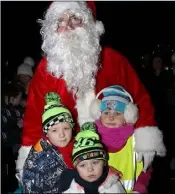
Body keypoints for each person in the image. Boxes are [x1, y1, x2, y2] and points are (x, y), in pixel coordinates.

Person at [16, 1, 166, 187]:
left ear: (90, 24)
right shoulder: (45, 71)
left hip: (117, 153)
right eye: (60, 20)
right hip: (66, 163)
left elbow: (140, 97)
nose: (68, 25)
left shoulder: (113, 60)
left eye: (75, 18)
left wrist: (146, 137)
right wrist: (28, 157)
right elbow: (33, 119)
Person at [89, 85, 155, 193]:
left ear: (127, 117)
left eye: (118, 114)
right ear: (99, 115)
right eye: (106, 113)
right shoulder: (92, 139)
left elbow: (146, 169)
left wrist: (139, 189)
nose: (111, 117)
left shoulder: (136, 140)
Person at [22, 92, 75, 193]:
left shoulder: (76, 146)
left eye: (66, 128)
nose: (62, 134)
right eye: (54, 130)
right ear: (46, 133)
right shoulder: (36, 162)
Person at [60, 122, 126, 193]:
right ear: (76, 168)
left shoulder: (113, 186)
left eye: (95, 162)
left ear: (104, 162)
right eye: (82, 165)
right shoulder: (71, 188)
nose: (90, 169)